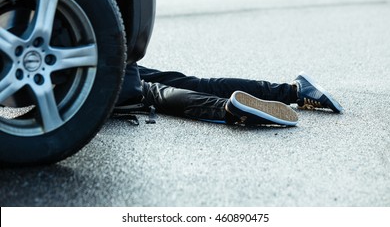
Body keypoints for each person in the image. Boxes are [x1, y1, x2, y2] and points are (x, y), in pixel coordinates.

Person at [114, 63, 343, 126]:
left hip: (95, 73)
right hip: (113, 49)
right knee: (197, 83)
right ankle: (296, 91)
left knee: (152, 93)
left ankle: (229, 108)